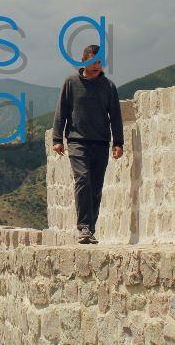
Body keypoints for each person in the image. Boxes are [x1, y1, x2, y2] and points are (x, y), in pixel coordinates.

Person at [52, 44, 124, 244]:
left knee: (96, 187)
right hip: (77, 141)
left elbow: (115, 116)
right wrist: (57, 139)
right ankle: (83, 226)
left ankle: (89, 230)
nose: (97, 65)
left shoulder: (108, 86)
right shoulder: (71, 83)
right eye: (93, 61)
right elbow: (61, 111)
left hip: (101, 142)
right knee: (83, 179)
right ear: (83, 60)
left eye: (100, 62)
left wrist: (118, 142)